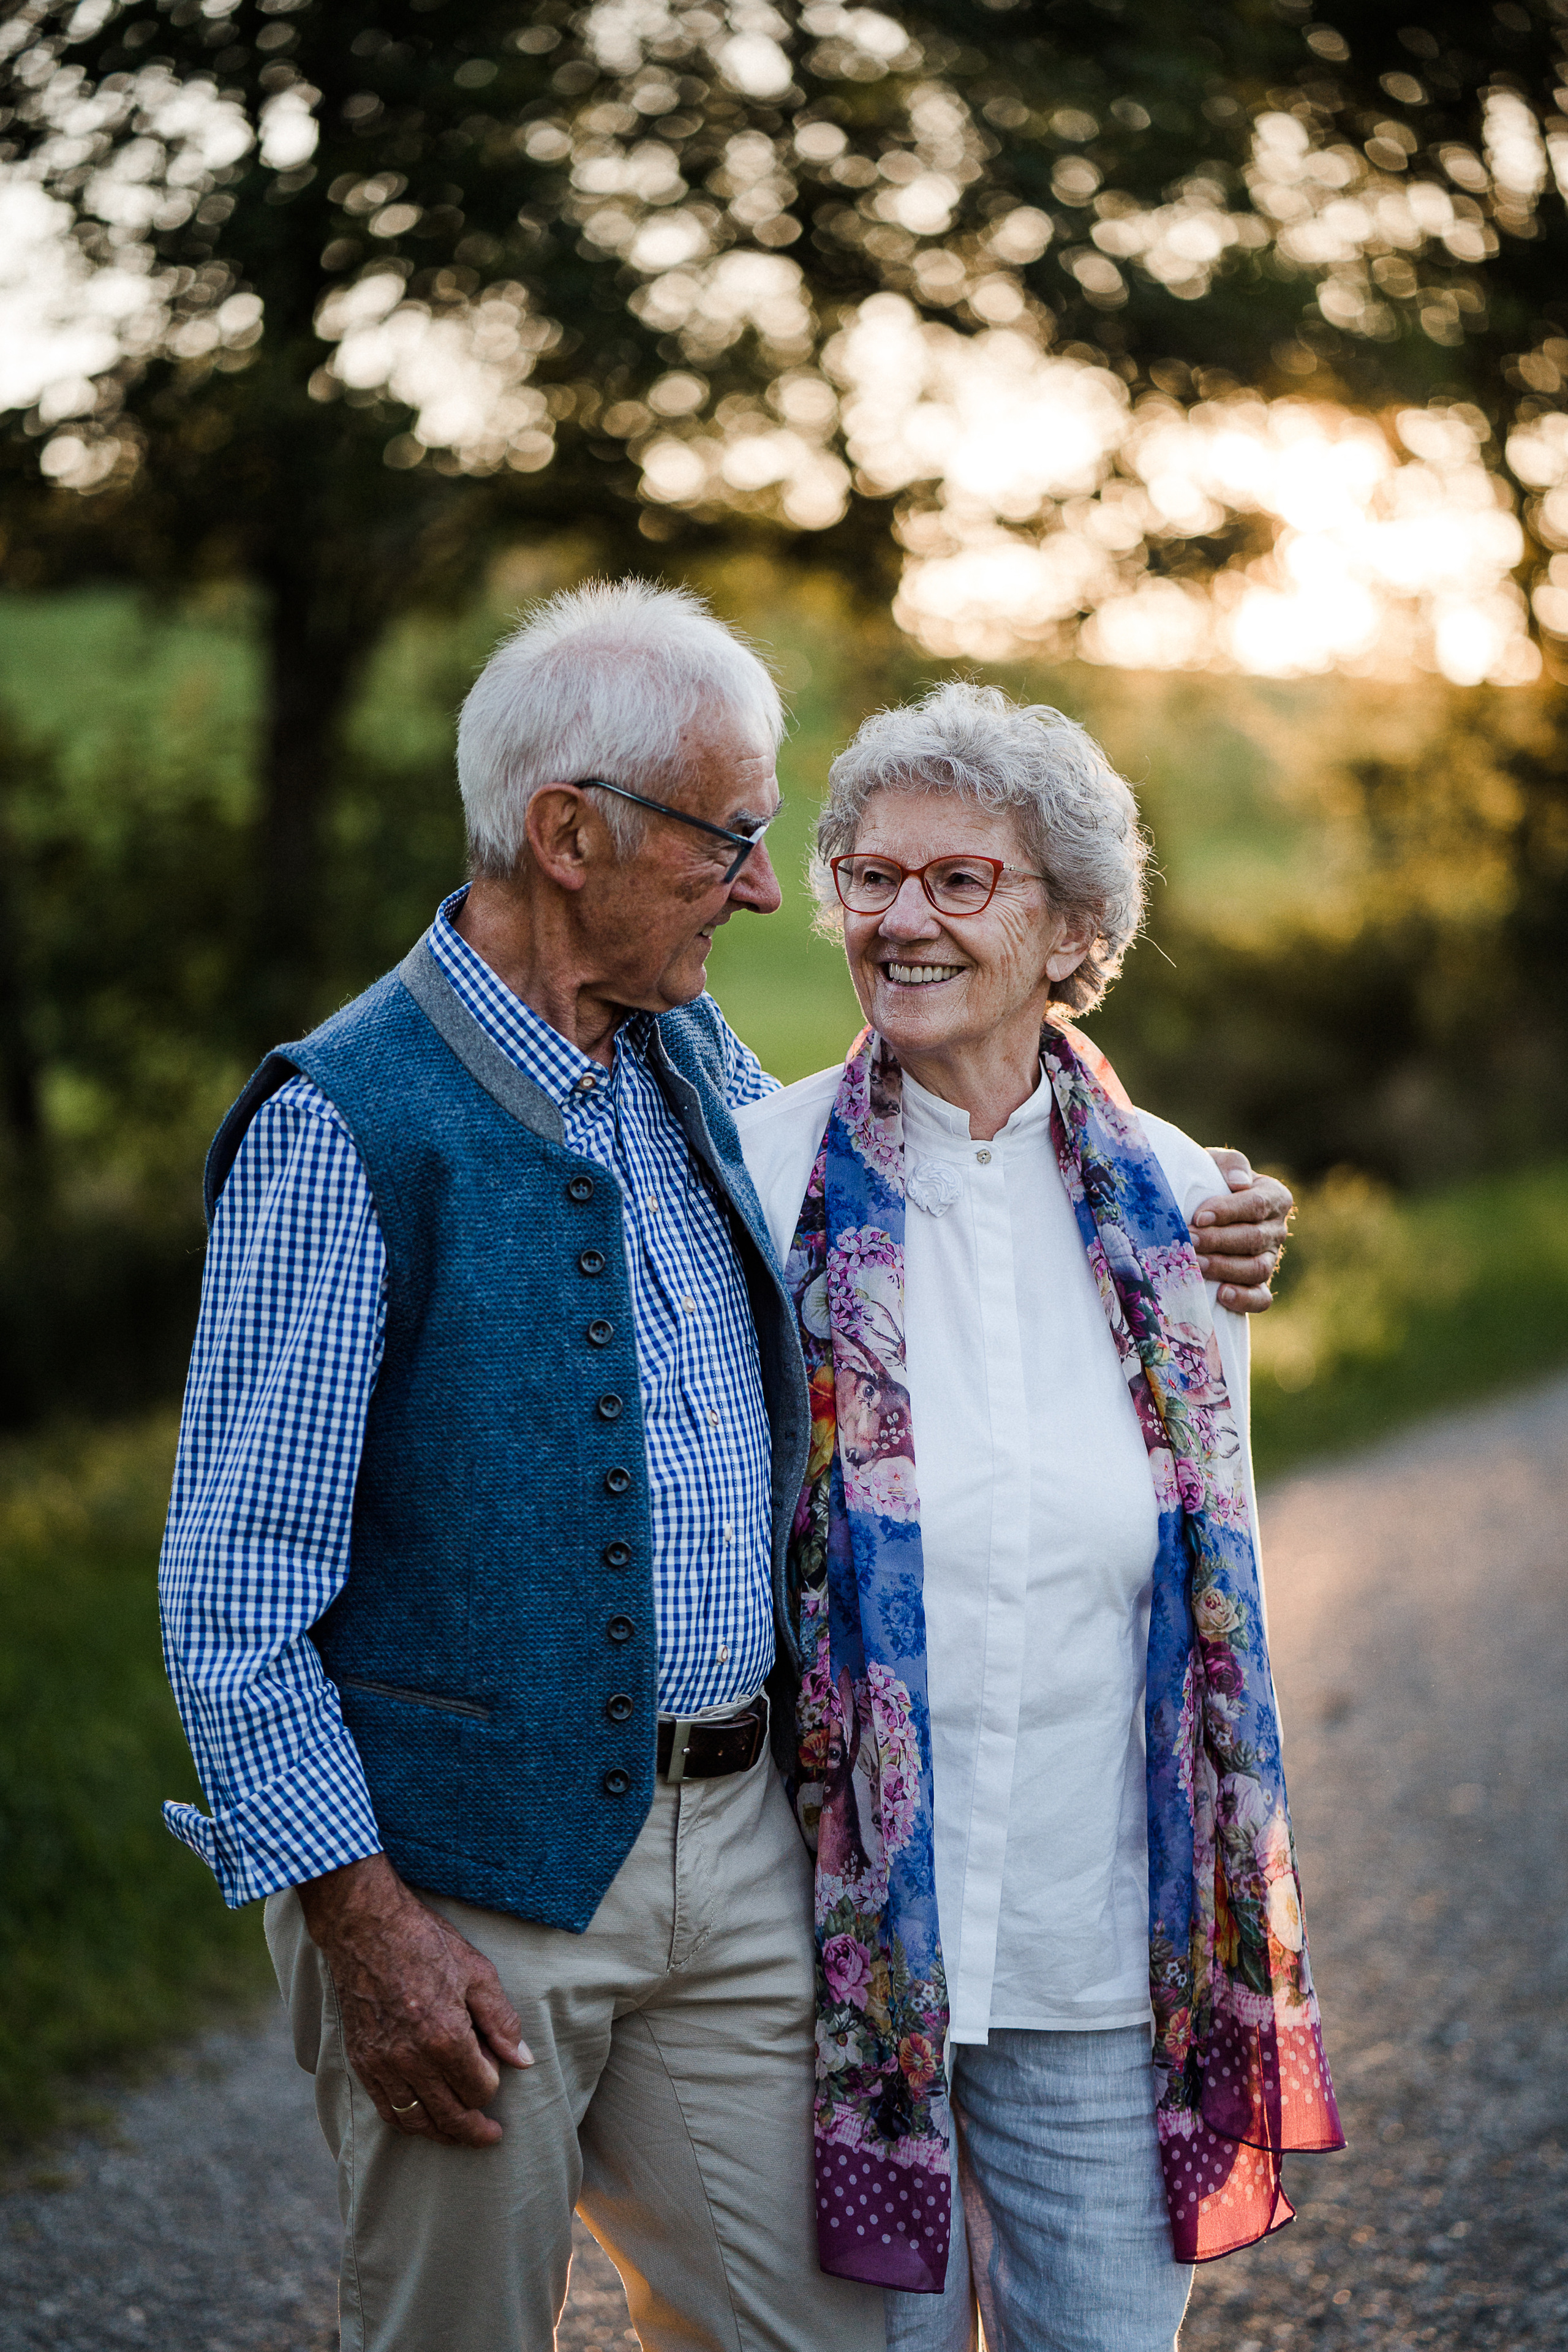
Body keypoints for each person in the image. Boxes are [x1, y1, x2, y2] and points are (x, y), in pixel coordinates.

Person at [159, 584, 1296, 2352]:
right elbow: (231, 1600)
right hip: (521, 1875)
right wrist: (365, 1932)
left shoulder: (693, 1066)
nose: (783, 892)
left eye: (792, 847)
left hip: (785, 1869)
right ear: (569, 834)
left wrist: (1200, 1203)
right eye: (752, 842)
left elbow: (984, 1150)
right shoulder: (386, 1125)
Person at [734, 683, 1343, 2352]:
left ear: (1073, 926)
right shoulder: (756, 1177)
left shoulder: (1186, 1208)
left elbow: (1202, 1585)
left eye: (961, 881)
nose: (901, 919)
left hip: (1099, 1946)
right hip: (833, 1969)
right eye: (870, 876)